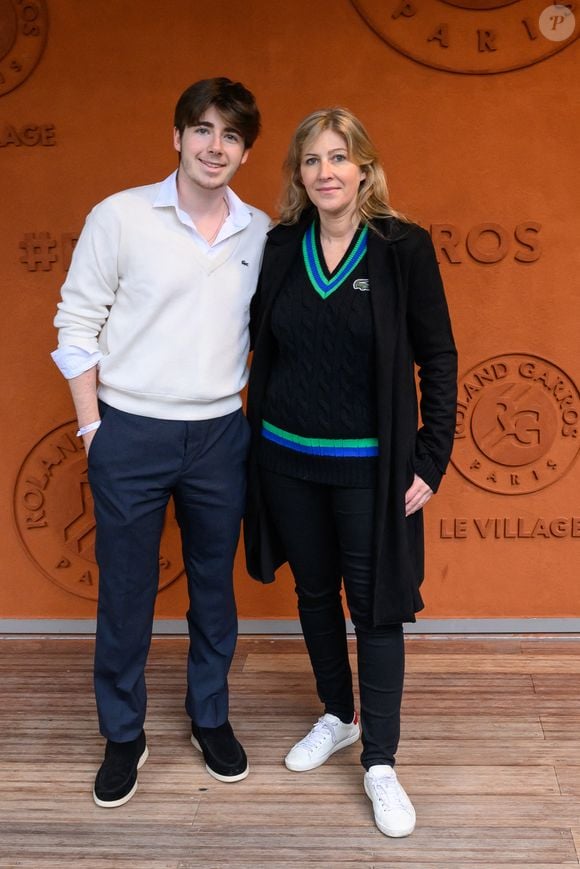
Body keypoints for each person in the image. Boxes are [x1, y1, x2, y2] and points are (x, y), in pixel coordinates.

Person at [51, 77, 270, 807]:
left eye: (231, 136)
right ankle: (123, 733)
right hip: (129, 430)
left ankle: (210, 714)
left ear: (244, 151)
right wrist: (92, 430)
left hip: (218, 433)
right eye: (203, 130)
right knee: (125, 592)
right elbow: (76, 324)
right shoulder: (119, 216)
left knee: (213, 588)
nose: (216, 147)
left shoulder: (260, 231)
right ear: (177, 136)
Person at [244, 108, 457, 838]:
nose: (326, 171)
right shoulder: (278, 247)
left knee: (377, 608)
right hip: (286, 461)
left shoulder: (403, 248)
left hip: (371, 471)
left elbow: (440, 358)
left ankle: (381, 760)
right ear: (298, 175)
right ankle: (336, 714)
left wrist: (432, 456)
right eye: (312, 161)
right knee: (312, 591)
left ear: (364, 166)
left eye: (339, 157)